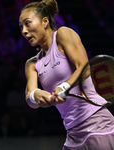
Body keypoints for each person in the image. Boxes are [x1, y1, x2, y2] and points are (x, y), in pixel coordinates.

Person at [19, 0, 114, 149]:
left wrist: (64, 86)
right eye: (21, 27)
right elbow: (29, 97)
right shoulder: (32, 64)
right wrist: (36, 95)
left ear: (45, 21)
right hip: (72, 133)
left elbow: (84, 67)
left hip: (97, 124)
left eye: (28, 23)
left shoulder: (63, 34)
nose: (24, 31)